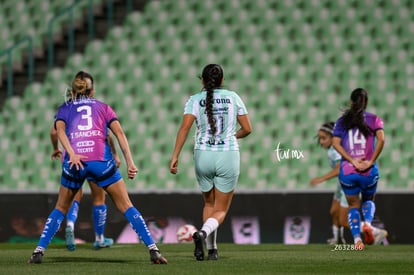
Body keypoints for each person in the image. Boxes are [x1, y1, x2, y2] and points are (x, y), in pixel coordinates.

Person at [28, 71, 167, 264]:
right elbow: (119, 134)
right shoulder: (103, 107)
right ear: (92, 91)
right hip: (101, 162)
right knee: (126, 205)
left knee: (60, 207)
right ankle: (153, 250)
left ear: (73, 91)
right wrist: (130, 162)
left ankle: (38, 252)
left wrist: (72, 152)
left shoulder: (65, 108)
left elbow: (58, 131)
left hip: (75, 163)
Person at [169, 64, 252, 261]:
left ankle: (212, 250)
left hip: (202, 155)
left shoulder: (195, 100)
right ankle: (203, 234)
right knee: (221, 209)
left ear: (203, 81)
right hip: (227, 155)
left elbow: (184, 128)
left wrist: (175, 156)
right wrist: (232, 135)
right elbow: (248, 129)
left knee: (208, 203)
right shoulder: (233, 97)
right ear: (222, 80)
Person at [332, 88, 387, 250]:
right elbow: (382, 139)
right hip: (368, 171)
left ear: (351, 102)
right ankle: (368, 224)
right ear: (366, 103)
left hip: (348, 171)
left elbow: (335, 143)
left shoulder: (342, 121)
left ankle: (357, 240)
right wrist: (370, 161)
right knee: (368, 200)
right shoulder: (374, 120)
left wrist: (352, 160)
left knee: (353, 205)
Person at [50, 125, 120, 251]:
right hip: (93, 154)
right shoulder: (95, 109)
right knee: (99, 197)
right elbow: (108, 135)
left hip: (71, 155)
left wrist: (55, 148)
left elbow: (53, 132)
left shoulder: (66, 110)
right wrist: (114, 154)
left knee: (75, 194)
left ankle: (70, 224)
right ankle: (99, 238)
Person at [310, 122, 349, 244]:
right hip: (341, 183)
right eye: (320, 138)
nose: (321, 142)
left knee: (343, 220)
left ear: (333, 137)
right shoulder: (332, 150)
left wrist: (321, 179)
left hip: (348, 183)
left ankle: (372, 231)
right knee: (333, 211)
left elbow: (339, 169)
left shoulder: (336, 150)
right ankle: (338, 239)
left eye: (324, 138)